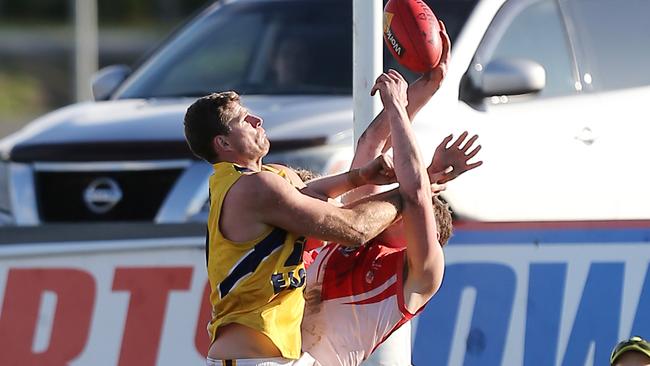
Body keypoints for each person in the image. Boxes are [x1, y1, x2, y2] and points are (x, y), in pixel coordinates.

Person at [183, 91, 406, 365]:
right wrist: (411, 191)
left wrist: (361, 177)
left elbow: (310, 193)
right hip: (249, 359)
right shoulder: (255, 187)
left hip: (280, 355)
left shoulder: (267, 177)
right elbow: (355, 229)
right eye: (244, 119)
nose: (257, 120)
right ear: (224, 143)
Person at [301, 67, 482, 366]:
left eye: (407, 217)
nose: (396, 215)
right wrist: (427, 87)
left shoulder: (424, 273)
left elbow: (415, 196)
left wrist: (397, 105)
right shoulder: (361, 229)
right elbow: (370, 144)